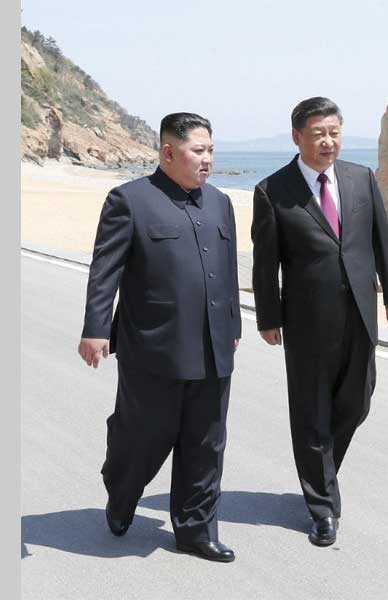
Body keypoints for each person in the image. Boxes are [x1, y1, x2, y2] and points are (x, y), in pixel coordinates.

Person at [78, 112, 241, 563]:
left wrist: (234, 326)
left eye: (211, 150)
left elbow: (227, 271)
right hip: (152, 348)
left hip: (212, 346)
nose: (207, 159)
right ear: (169, 152)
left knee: (206, 442)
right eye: (198, 151)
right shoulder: (130, 200)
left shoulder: (221, 203)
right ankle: (121, 489)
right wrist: (95, 329)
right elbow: (105, 270)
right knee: (144, 435)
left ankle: (195, 530)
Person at [251, 97, 388, 547]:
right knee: (311, 412)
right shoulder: (272, 191)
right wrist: (267, 316)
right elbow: (266, 264)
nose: (327, 141)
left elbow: (382, 240)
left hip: (360, 311)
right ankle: (321, 508)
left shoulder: (361, 178)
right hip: (305, 321)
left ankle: (322, 472)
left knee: (357, 402)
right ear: (297, 137)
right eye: (318, 133)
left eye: (334, 132)